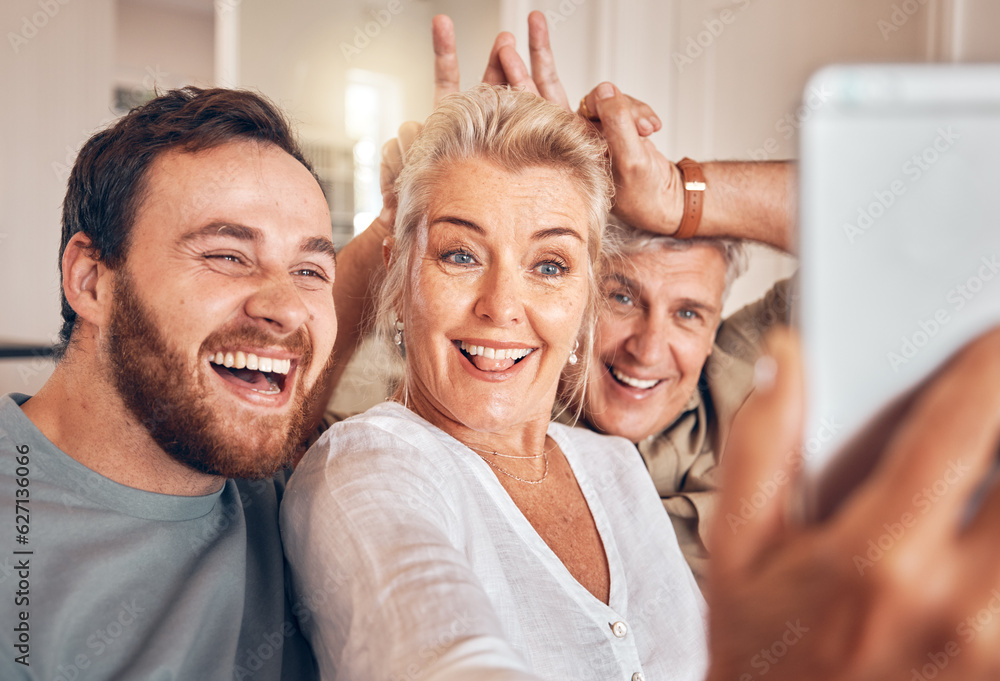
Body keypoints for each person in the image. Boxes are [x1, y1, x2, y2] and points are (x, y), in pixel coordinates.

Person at [281, 84, 710, 680]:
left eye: (550, 265)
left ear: (587, 295)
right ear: (399, 278)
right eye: (461, 255)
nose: (502, 306)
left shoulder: (618, 466)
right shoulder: (367, 466)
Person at [0, 87, 331, 680]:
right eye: (228, 255)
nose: (288, 308)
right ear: (93, 281)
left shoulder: (292, 491)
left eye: (310, 271)